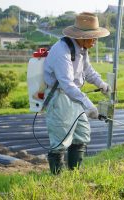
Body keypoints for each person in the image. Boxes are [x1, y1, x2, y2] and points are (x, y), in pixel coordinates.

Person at [43, 12, 110, 174]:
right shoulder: (62, 51)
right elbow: (66, 84)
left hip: (74, 96)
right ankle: (57, 179)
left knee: (82, 134)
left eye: (96, 38)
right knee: (61, 138)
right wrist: (88, 105)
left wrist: (101, 83)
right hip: (60, 97)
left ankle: (74, 175)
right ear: (81, 36)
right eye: (93, 38)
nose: (95, 41)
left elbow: (87, 70)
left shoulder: (82, 48)